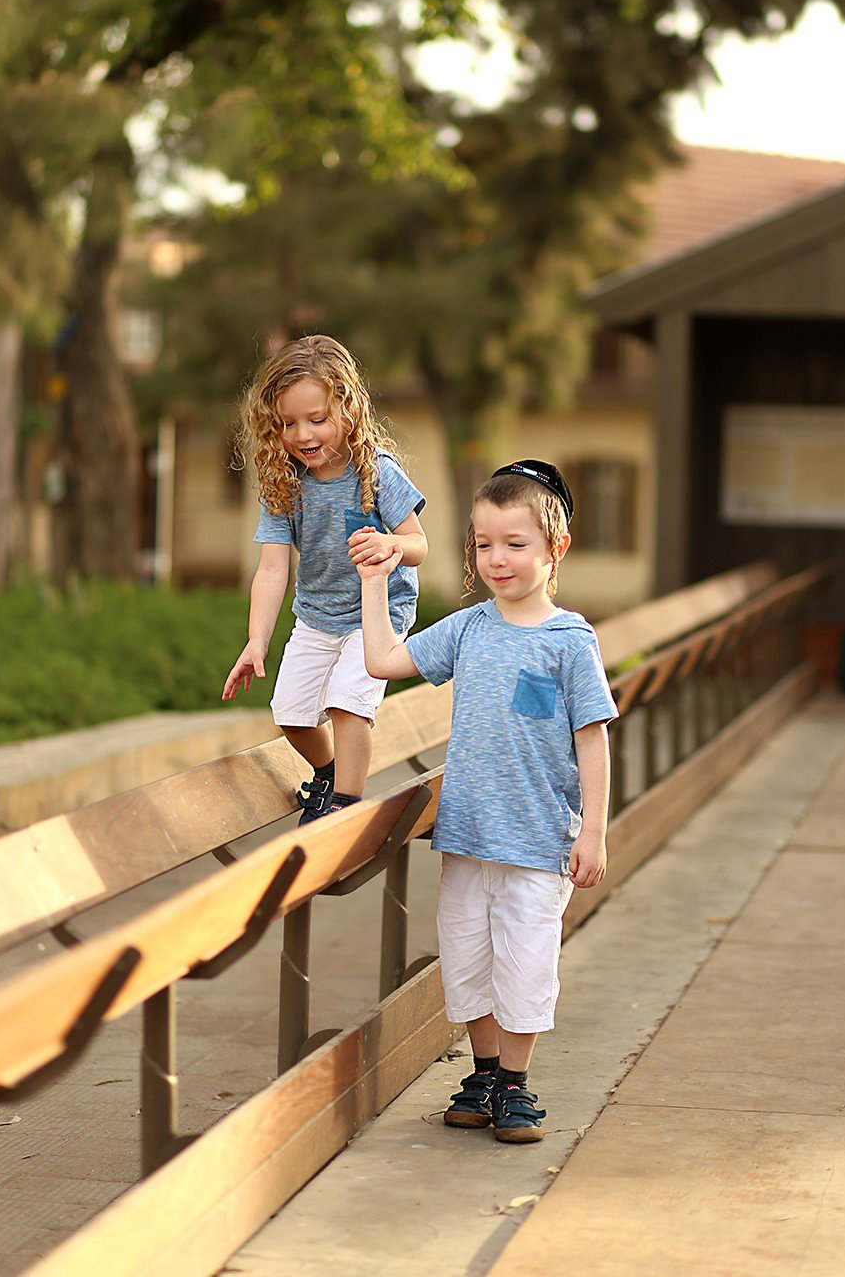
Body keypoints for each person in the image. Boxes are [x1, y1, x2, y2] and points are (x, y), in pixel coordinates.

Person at [359, 459, 617, 1143]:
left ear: (554, 547)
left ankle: (515, 1085)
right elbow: (384, 662)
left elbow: (592, 742)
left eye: (515, 544)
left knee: (525, 965)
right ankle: (484, 1073)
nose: (496, 559)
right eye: (483, 545)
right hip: (467, 836)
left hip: (538, 842)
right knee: (468, 958)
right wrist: (374, 581)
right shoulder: (469, 628)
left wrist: (594, 831)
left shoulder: (570, 642)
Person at [222, 335, 427, 823]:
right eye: (288, 423)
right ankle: (331, 773)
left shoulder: (375, 472)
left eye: (317, 419)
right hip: (317, 615)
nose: (303, 434)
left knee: (347, 705)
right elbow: (272, 568)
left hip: (376, 615)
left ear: (348, 410)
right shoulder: (284, 482)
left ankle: (346, 806)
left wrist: (391, 546)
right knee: (290, 713)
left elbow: (419, 545)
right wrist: (257, 640)